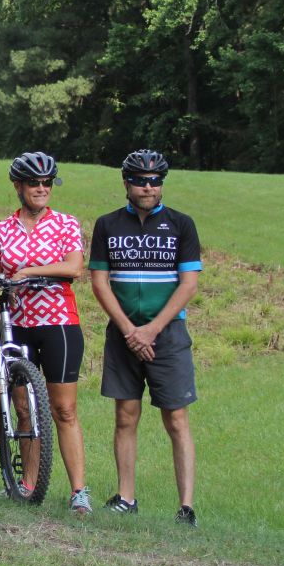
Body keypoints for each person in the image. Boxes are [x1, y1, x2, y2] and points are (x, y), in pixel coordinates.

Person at [0, 152, 90, 512]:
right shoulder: (1, 230)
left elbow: (75, 267)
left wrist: (28, 271)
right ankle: (28, 485)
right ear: (18, 187)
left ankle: (79, 492)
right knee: (23, 409)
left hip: (58, 324)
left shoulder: (66, 224)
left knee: (64, 409)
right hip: (17, 324)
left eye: (47, 183)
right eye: (34, 183)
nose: (41, 189)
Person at [88, 149, 201, 526]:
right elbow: (99, 282)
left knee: (177, 419)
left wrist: (151, 330)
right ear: (126, 183)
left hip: (167, 334)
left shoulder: (181, 224)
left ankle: (186, 507)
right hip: (123, 333)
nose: (148, 187)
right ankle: (126, 496)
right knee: (125, 415)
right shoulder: (107, 225)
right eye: (140, 180)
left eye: (155, 181)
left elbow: (188, 284)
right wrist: (128, 330)